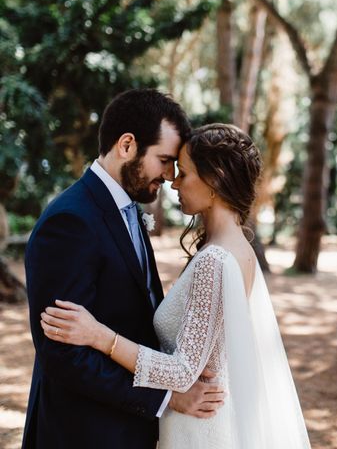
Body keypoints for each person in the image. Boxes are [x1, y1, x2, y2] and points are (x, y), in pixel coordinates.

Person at [40, 123, 312, 448]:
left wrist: (100, 336)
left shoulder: (216, 259)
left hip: (198, 428)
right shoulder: (237, 248)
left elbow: (183, 371)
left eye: (184, 173)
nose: (174, 182)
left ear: (215, 180)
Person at [22, 89, 225, 449]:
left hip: (127, 430)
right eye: (164, 160)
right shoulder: (70, 221)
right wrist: (166, 398)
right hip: (82, 433)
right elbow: (62, 355)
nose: (169, 175)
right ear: (127, 145)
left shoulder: (128, 209)